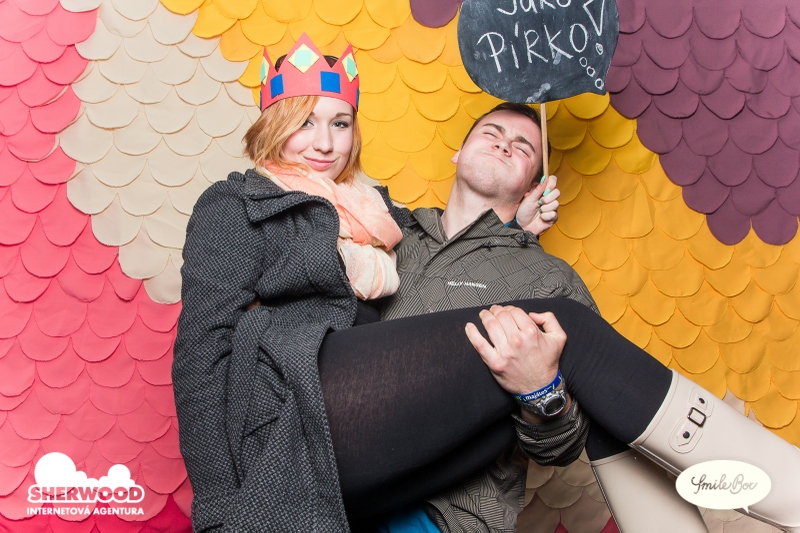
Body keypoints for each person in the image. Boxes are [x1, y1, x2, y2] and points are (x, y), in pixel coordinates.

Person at [173, 35, 800, 532]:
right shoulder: (377, 227)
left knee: (568, 351)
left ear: (534, 182)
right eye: (490, 133)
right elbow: (202, 352)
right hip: (293, 424)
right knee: (567, 329)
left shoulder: (390, 223)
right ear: (458, 152)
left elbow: (563, 442)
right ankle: (789, 491)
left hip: (430, 498)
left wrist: (542, 391)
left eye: (340, 124)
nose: (324, 142)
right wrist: (220, 506)